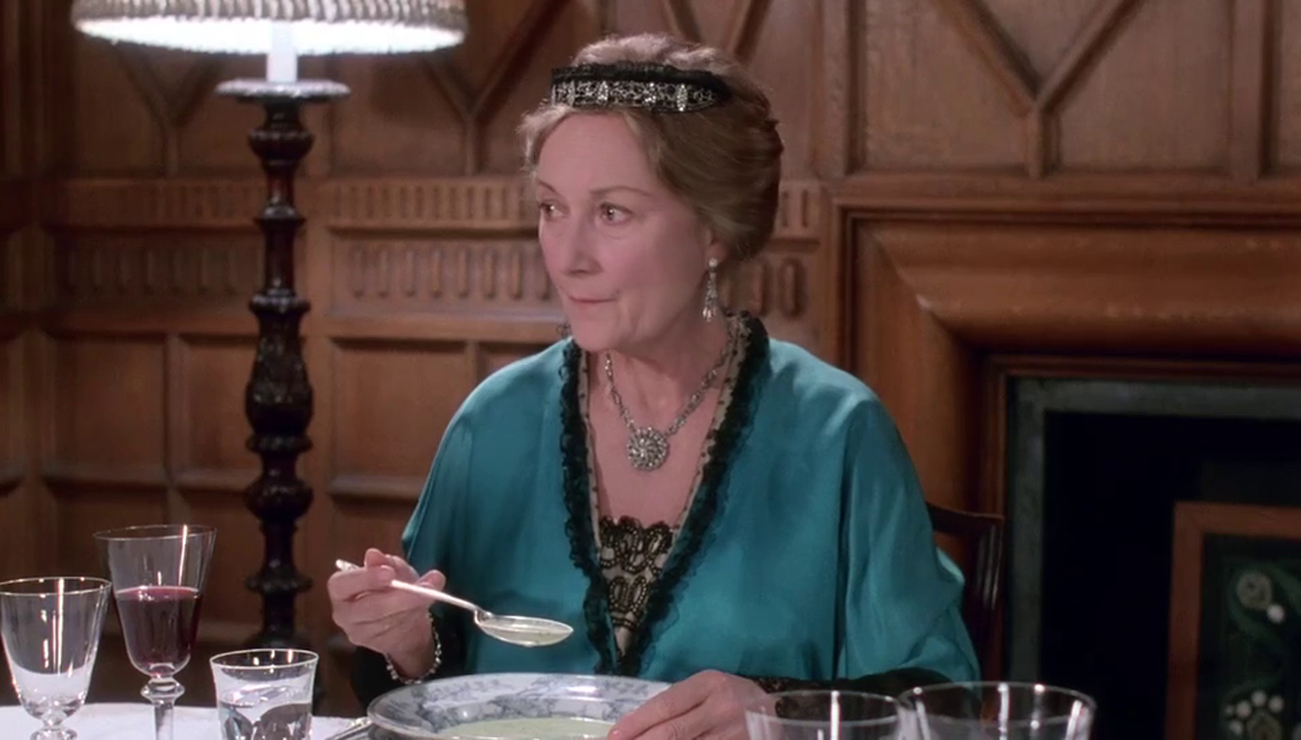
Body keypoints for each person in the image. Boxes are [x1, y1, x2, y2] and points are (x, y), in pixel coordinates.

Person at [326, 33, 979, 738]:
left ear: (714, 231)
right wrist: (404, 642)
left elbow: (944, 705)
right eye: (552, 208)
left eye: (612, 213)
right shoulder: (494, 421)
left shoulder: (836, 430)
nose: (567, 257)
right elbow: (426, 695)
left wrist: (778, 712)